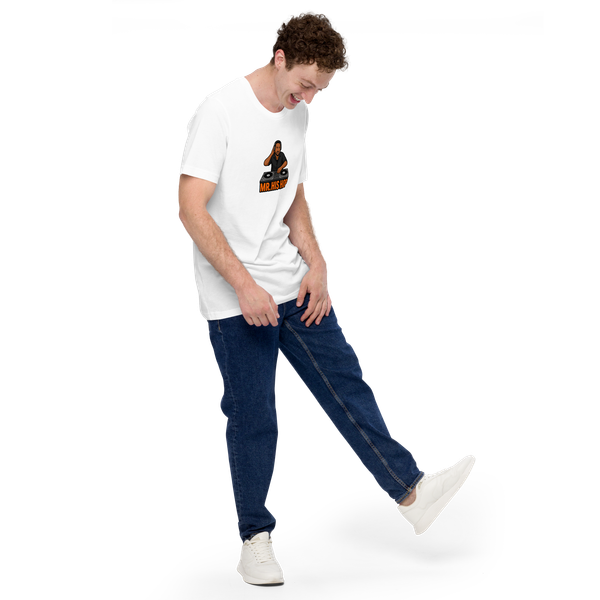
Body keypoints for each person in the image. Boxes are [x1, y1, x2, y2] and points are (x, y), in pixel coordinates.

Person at [177, 11, 477, 586]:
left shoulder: (298, 109)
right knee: (254, 416)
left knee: (347, 384)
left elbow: (294, 197)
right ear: (280, 58)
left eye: (320, 90)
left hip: (291, 282)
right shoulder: (219, 111)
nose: (310, 98)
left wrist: (317, 264)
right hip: (236, 298)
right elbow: (190, 207)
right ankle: (254, 539)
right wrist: (244, 285)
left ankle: (412, 495)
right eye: (306, 84)